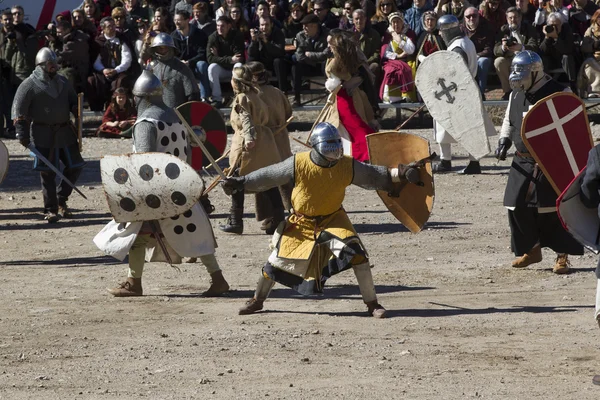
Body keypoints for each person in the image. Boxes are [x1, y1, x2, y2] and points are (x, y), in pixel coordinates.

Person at [223, 122, 423, 317]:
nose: (333, 156)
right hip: (301, 223)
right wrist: (241, 182)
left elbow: (374, 175)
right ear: (316, 148)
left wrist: (402, 173)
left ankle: (372, 304)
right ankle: (257, 300)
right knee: (274, 264)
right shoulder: (298, 163)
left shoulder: (346, 164)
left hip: (333, 219)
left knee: (358, 255)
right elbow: (268, 176)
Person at [95, 70, 230, 297]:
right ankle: (217, 279)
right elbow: (187, 154)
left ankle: (134, 283)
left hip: (155, 191)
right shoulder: (176, 118)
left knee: (137, 233)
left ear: (141, 98)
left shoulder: (146, 123)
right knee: (195, 233)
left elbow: (144, 162)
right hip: (180, 189)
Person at [494, 50, 583, 274]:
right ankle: (532, 249)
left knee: (553, 208)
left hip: (550, 161)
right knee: (514, 204)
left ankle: (562, 256)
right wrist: (504, 139)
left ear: (534, 72)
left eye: (521, 73)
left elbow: (572, 124)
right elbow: (509, 117)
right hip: (523, 159)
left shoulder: (559, 92)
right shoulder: (517, 93)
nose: (517, 78)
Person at [12, 48, 84, 223]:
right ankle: (51, 209)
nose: (54, 66)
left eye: (55, 63)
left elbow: (74, 102)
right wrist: (22, 133)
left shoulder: (63, 82)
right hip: (42, 133)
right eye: (50, 63)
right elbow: (19, 110)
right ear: (41, 65)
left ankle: (61, 199)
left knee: (76, 166)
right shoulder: (29, 84)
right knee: (47, 173)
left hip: (65, 132)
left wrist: (76, 110)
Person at [219, 65, 283, 234]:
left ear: (235, 82)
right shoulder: (256, 95)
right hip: (265, 141)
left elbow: (246, 119)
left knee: (235, 179)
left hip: (248, 143)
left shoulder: (241, 98)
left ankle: (235, 221)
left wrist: (248, 138)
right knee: (268, 180)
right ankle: (278, 219)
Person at [431, 14, 488, 175]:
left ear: (448, 30)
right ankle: (473, 162)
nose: (440, 34)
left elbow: (457, 72)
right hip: (467, 88)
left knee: (443, 121)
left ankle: (445, 161)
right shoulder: (466, 41)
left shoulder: (457, 47)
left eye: (441, 31)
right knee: (470, 127)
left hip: (458, 92)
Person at [315, 30, 376, 162]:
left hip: (342, 98)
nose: (329, 47)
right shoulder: (353, 58)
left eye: (331, 44)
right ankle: (355, 152)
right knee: (351, 126)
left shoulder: (335, 63)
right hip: (354, 96)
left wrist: (332, 85)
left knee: (350, 126)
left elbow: (333, 85)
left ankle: (364, 150)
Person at [247, 61, 293, 229]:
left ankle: (272, 217)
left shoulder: (253, 96)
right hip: (280, 138)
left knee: (265, 177)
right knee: (285, 175)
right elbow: (288, 112)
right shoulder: (277, 91)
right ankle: (293, 211)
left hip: (266, 139)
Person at [87, 17, 137, 111]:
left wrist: (116, 70)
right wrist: (103, 70)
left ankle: (117, 109)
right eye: (109, 26)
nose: (113, 28)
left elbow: (127, 60)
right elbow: (96, 61)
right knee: (92, 80)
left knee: (121, 81)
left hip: (120, 71)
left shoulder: (122, 39)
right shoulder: (98, 42)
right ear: (103, 28)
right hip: (103, 71)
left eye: (114, 25)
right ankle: (97, 109)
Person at [493, 7, 539, 100]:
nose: (513, 20)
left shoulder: (529, 28)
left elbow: (534, 46)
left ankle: (527, 91)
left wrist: (521, 47)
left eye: (515, 17)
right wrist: (503, 47)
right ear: (507, 19)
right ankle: (508, 91)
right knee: (498, 61)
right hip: (509, 58)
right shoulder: (503, 30)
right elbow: (495, 49)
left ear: (520, 17)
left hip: (525, 59)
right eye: (510, 18)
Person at [149, 33, 201, 108]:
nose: (162, 50)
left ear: (170, 48)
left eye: (164, 47)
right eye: (159, 47)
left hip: (177, 115)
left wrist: (186, 114)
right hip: (156, 114)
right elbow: (145, 94)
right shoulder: (151, 68)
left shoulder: (181, 68)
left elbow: (193, 94)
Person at [207, 16, 245, 108]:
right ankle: (217, 99)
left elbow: (239, 57)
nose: (219, 28)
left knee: (239, 65)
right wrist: (230, 59)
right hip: (222, 69)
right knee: (212, 67)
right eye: (218, 26)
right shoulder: (213, 37)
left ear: (229, 26)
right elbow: (210, 58)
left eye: (222, 26)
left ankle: (239, 97)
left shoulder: (237, 35)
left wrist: (218, 57)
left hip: (234, 69)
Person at [172, 10, 210, 102]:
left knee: (202, 65)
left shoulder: (199, 34)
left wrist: (189, 62)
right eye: (175, 20)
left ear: (187, 20)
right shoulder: (173, 36)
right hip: (180, 65)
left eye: (179, 20)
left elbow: (202, 53)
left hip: (195, 64)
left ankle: (204, 97)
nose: (176, 23)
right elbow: (172, 54)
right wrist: (181, 63)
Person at [292, 14, 330, 106]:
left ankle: (330, 95)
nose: (304, 28)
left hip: (323, 66)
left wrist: (310, 54)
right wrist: (313, 61)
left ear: (314, 26)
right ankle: (296, 97)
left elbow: (326, 54)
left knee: (326, 62)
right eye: (303, 26)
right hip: (308, 65)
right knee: (296, 66)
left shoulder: (327, 35)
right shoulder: (300, 35)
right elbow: (299, 55)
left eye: (306, 26)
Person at [380, 12, 416, 103]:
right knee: (391, 71)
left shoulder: (408, 34)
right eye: (394, 22)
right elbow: (385, 52)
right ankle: (393, 97)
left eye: (398, 22)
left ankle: (407, 95)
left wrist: (399, 41)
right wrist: (397, 56)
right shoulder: (388, 36)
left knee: (408, 69)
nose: (396, 24)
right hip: (392, 61)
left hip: (407, 60)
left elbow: (410, 50)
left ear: (402, 22)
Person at [47, 20, 91, 93]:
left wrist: (53, 42)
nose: (57, 34)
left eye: (59, 32)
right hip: (68, 66)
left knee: (64, 75)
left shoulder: (76, 41)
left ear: (67, 30)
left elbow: (59, 58)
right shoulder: (68, 37)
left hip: (78, 71)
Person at [537, 12, 577, 90]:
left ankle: (573, 85)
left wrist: (556, 38)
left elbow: (567, 49)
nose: (554, 27)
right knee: (543, 60)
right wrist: (547, 38)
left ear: (561, 25)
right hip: (551, 61)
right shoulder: (546, 30)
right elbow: (541, 51)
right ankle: (545, 86)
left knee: (567, 57)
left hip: (564, 61)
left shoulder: (567, 30)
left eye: (556, 25)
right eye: (552, 25)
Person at [247, 15, 288, 91]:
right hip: (262, 63)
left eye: (267, 25)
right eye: (262, 25)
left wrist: (266, 42)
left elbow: (279, 52)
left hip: (274, 64)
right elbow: (251, 54)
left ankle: (283, 91)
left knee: (278, 61)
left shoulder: (278, 33)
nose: (264, 27)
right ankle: (250, 90)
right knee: (250, 60)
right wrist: (253, 41)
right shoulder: (257, 33)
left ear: (271, 25)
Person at [463, 6, 495, 97]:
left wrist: (477, 56)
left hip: (482, 57)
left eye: (474, 15)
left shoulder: (487, 28)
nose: (471, 18)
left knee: (482, 62)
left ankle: (480, 94)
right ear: (465, 18)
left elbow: (489, 49)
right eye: (468, 16)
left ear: (479, 16)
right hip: (467, 57)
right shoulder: (461, 30)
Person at [579, 9, 600, 98]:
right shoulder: (590, 30)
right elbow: (584, 47)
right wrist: (594, 45)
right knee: (589, 63)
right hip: (594, 57)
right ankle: (595, 90)